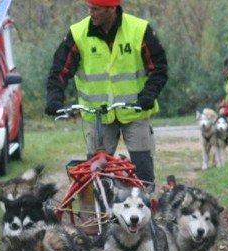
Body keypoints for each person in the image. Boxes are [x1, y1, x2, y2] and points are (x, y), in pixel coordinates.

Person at [45, 0, 168, 185]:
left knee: (142, 169)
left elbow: (159, 69)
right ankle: (97, 210)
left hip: (135, 111)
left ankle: (145, 204)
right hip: (98, 116)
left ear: (112, 9)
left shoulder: (139, 30)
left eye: (95, 9)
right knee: (94, 172)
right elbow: (59, 70)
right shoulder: (78, 33)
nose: (90, 13)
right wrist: (54, 98)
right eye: (89, 8)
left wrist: (148, 95)